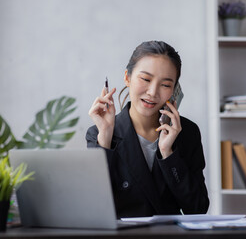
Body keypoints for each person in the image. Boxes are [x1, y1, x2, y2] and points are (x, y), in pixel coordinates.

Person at [86, 40, 209, 218]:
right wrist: (105, 138)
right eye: (145, 79)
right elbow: (93, 206)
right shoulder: (99, 133)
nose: (152, 92)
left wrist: (168, 154)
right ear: (127, 78)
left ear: (174, 91)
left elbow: (198, 208)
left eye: (165, 85)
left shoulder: (187, 132)